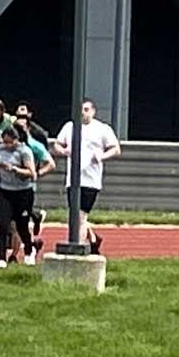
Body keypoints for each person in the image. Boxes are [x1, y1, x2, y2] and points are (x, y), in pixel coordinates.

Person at [50, 99, 122, 254]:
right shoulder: (70, 127)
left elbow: (116, 149)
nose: (83, 112)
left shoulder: (102, 129)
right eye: (81, 109)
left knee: (80, 216)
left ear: (93, 111)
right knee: (76, 215)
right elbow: (57, 145)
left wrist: (101, 156)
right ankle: (93, 239)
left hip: (91, 179)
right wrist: (64, 151)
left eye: (86, 109)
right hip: (73, 179)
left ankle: (78, 246)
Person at [0, 118, 46, 265]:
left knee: (22, 225)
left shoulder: (24, 152)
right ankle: (1, 258)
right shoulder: (2, 149)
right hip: (5, 190)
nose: (8, 146)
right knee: (3, 225)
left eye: (10, 142)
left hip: (22, 192)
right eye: (5, 142)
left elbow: (32, 173)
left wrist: (15, 169)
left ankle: (29, 249)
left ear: (17, 140)